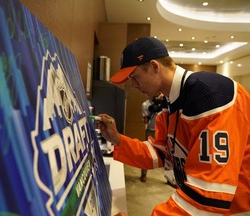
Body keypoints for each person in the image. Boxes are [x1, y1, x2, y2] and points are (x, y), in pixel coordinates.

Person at [97, 37, 250, 215]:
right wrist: (117, 139)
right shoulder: (167, 103)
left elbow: (208, 197)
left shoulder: (212, 95)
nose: (133, 85)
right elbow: (161, 153)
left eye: (135, 77)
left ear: (155, 66)